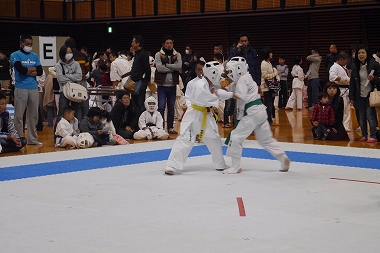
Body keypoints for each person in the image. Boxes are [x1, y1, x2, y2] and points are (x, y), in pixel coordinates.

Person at [220, 56, 290, 174]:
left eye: (231, 71)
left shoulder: (242, 79)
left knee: (236, 137)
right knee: (266, 140)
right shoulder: (246, 78)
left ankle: (236, 166)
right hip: (260, 111)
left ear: (238, 69)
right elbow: (229, 87)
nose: (230, 74)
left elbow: (240, 95)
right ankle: (283, 159)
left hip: (252, 112)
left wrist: (227, 94)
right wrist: (222, 86)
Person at [164, 61, 228, 175]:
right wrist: (217, 95)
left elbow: (213, 99)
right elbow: (206, 98)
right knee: (185, 139)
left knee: (214, 139)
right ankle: (172, 165)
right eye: (219, 74)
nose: (220, 77)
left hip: (207, 114)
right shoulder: (199, 84)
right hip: (194, 114)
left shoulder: (210, 84)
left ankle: (220, 164)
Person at [10, 34, 44, 145]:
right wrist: (31, 70)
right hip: (21, 87)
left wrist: (28, 70)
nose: (29, 46)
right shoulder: (15, 55)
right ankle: (20, 139)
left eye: (31, 44)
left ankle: (32, 139)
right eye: (27, 44)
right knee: (19, 115)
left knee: (34, 115)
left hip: (33, 87)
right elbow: (21, 70)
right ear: (21, 43)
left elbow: (39, 71)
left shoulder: (34, 56)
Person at [349, 45, 380, 143]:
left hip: (370, 95)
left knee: (370, 116)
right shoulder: (355, 66)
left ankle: (373, 136)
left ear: (367, 54)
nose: (361, 55)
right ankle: (364, 135)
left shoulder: (374, 64)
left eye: (363, 52)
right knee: (361, 116)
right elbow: (352, 83)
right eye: (359, 53)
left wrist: (374, 79)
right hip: (359, 95)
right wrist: (352, 97)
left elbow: (379, 79)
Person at [154, 34, 182, 134]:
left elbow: (179, 66)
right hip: (162, 85)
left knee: (171, 107)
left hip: (173, 85)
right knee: (161, 107)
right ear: (163, 44)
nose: (169, 45)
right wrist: (172, 68)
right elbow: (159, 68)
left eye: (171, 43)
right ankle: (160, 127)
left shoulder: (177, 54)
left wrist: (166, 65)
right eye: (167, 43)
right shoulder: (158, 54)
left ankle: (170, 127)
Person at [55, 45, 82, 126]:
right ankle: (57, 135)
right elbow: (60, 79)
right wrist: (73, 78)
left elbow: (79, 77)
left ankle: (79, 134)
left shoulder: (76, 64)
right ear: (63, 53)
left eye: (70, 52)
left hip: (76, 92)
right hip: (64, 91)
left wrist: (66, 76)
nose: (69, 54)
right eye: (67, 52)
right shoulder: (58, 65)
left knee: (78, 114)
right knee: (61, 114)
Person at [65, 38, 90, 120]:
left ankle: (78, 124)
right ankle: (86, 122)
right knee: (85, 102)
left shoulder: (68, 57)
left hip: (74, 82)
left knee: (76, 104)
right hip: (83, 81)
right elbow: (88, 68)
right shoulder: (83, 56)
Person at [127, 35, 152, 112]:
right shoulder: (137, 54)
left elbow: (147, 69)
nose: (131, 44)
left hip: (140, 82)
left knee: (140, 103)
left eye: (133, 42)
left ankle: (142, 122)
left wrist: (145, 81)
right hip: (134, 82)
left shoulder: (143, 54)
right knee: (135, 103)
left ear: (138, 43)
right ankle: (136, 122)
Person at [329, 51, 351, 131]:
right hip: (340, 90)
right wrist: (345, 79)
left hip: (345, 89)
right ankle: (342, 126)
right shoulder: (334, 67)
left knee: (347, 109)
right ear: (341, 59)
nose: (346, 62)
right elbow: (332, 77)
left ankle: (346, 126)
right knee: (342, 109)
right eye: (346, 60)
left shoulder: (341, 67)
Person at [260, 47, 280, 126]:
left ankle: (269, 120)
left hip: (271, 86)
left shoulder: (269, 62)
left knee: (270, 103)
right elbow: (264, 76)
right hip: (266, 86)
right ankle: (268, 121)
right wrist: (276, 74)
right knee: (268, 104)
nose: (272, 54)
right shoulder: (264, 63)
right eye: (270, 53)